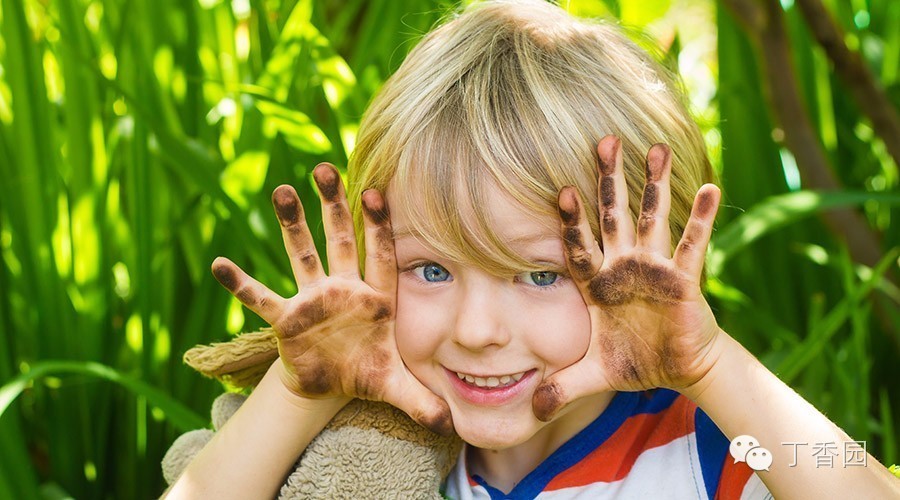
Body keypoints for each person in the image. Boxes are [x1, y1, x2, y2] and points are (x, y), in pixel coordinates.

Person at [166, 1, 900, 498]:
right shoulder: (360, 450)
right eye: (431, 269)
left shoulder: (711, 453)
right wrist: (299, 393)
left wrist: (711, 367)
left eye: (542, 275)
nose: (477, 330)